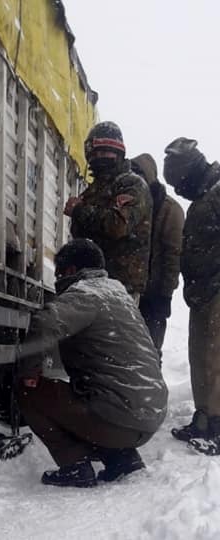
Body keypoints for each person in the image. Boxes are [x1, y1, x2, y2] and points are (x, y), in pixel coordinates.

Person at [17, 238, 167, 487]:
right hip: (149, 416)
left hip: (119, 416)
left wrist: (29, 369)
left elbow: (45, 323)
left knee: (28, 390)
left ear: (72, 271)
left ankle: (75, 465)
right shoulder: (121, 297)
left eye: (60, 274)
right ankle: (122, 457)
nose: (58, 281)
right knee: (94, 395)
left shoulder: (86, 293)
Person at [162, 138, 220, 454]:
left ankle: (217, 426)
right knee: (199, 354)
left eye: (179, 184)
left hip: (217, 288)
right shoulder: (202, 198)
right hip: (201, 292)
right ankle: (204, 417)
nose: (178, 192)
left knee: (215, 359)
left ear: (190, 172)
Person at [64, 121, 153, 302]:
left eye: (104, 152)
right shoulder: (93, 191)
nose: (99, 157)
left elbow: (118, 226)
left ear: (118, 153)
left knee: (114, 330)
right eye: (95, 153)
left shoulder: (131, 185)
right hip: (90, 280)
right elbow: (81, 235)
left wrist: (79, 210)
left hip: (120, 284)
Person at [130, 154, 184, 355]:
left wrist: (165, 294)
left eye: (139, 174)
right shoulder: (131, 205)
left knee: (149, 353)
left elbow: (173, 256)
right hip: (129, 291)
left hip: (153, 295)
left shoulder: (170, 209)